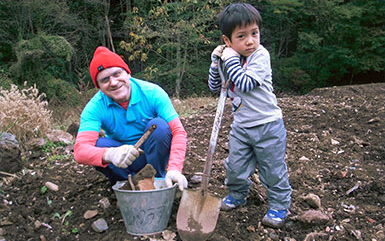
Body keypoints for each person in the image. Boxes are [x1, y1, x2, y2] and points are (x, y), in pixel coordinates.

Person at [208, 3, 292, 228]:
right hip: (242, 127)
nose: (250, 41)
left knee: (272, 170)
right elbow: (215, 86)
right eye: (242, 36)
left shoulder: (260, 55)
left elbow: (244, 84)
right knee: (235, 167)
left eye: (254, 33)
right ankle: (237, 194)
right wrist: (216, 63)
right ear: (228, 41)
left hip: (268, 125)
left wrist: (230, 59)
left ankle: (279, 205)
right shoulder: (230, 59)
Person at [74, 46, 188, 191]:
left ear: (127, 73)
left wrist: (175, 168)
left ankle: (160, 178)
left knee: (159, 126)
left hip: (153, 156)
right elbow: (80, 151)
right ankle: (128, 183)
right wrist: (109, 154)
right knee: (98, 144)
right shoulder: (94, 108)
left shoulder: (153, 93)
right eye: (105, 80)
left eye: (117, 74)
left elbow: (178, 131)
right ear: (99, 87)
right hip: (122, 161)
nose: (114, 82)